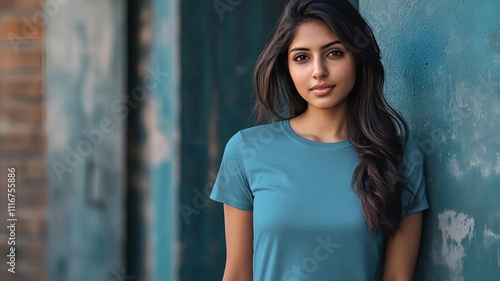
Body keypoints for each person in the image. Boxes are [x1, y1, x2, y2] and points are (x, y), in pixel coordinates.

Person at [209, 0, 429, 280]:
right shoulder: (246, 151)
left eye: (334, 53)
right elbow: (238, 273)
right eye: (301, 57)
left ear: (358, 58)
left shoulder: (400, 157)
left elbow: (397, 276)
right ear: (286, 66)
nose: (318, 71)